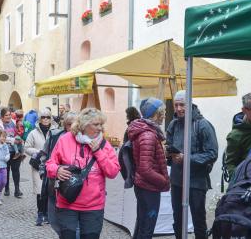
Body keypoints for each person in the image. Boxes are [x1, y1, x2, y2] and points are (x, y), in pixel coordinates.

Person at [46, 108, 120, 239]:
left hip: (93, 206)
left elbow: (113, 172)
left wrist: (98, 152)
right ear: (84, 125)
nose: (100, 128)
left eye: (101, 124)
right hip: (67, 202)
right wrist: (56, 170)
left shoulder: (104, 144)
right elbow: (50, 164)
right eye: (96, 124)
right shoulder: (65, 140)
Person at [166, 90, 218, 239]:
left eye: (182, 104)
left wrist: (186, 158)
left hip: (196, 181)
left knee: (198, 221)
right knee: (178, 220)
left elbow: (212, 154)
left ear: (190, 104)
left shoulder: (203, 125)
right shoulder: (173, 124)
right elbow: (170, 147)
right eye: (176, 105)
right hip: (177, 180)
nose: (178, 109)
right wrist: (169, 154)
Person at [128, 98, 170, 239]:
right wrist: (163, 180)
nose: (165, 115)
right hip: (149, 188)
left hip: (143, 186)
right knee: (147, 227)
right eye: (163, 112)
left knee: (142, 223)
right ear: (155, 114)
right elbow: (145, 169)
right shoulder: (148, 135)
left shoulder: (147, 131)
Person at [40, 111, 77, 236]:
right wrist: (42, 172)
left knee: (71, 222)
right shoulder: (55, 136)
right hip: (53, 183)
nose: (72, 127)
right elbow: (45, 155)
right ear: (65, 125)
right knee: (53, 219)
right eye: (69, 124)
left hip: (71, 186)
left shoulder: (82, 139)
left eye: (75, 124)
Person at [25, 108, 58, 226]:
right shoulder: (33, 133)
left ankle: (47, 213)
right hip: (38, 164)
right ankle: (40, 213)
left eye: (48, 117)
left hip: (52, 164)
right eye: (43, 117)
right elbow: (27, 147)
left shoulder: (56, 132)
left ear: (51, 119)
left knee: (50, 189)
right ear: (39, 119)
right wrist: (39, 151)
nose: (45, 119)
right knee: (40, 190)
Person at [0, 108, 23, 198]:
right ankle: (6, 188)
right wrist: (13, 140)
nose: (8, 116)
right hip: (4, 151)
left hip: (15, 151)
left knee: (16, 170)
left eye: (9, 115)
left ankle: (17, 190)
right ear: (2, 117)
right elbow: (0, 137)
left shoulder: (14, 122)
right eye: (6, 115)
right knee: (6, 170)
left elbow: (20, 132)